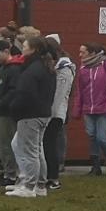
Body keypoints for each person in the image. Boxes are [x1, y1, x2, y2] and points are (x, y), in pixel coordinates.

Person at [7, 35, 59, 198]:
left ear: (33, 50)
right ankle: (39, 185)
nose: (22, 50)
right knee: (35, 149)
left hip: (30, 114)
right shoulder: (45, 67)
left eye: (25, 47)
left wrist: (14, 107)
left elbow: (25, 93)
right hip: (42, 114)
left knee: (28, 150)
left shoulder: (32, 69)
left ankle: (29, 186)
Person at [75, 42, 106, 177]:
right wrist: (77, 109)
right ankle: (95, 167)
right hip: (88, 109)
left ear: (93, 53)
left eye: (83, 52)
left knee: (102, 137)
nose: (80, 55)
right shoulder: (83, 68)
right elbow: (81, 90)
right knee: (92, 136)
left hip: (105, 109)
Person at [0, 39, 25, 187]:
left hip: (6, 113)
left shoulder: (14, 69)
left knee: (5, 143)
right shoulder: (4, 68)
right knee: (0, 143)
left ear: (5, 52)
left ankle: (11, 174)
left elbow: (12, 92)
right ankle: (7, 171)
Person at [43, 34, 76, 191]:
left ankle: (53, 177)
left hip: (55, 113)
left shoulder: (64, 69)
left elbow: (59, 95)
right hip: (51, 112)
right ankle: (47, 175)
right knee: (46, 144)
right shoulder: (57, 66)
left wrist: (49, 114)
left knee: (50, 145)